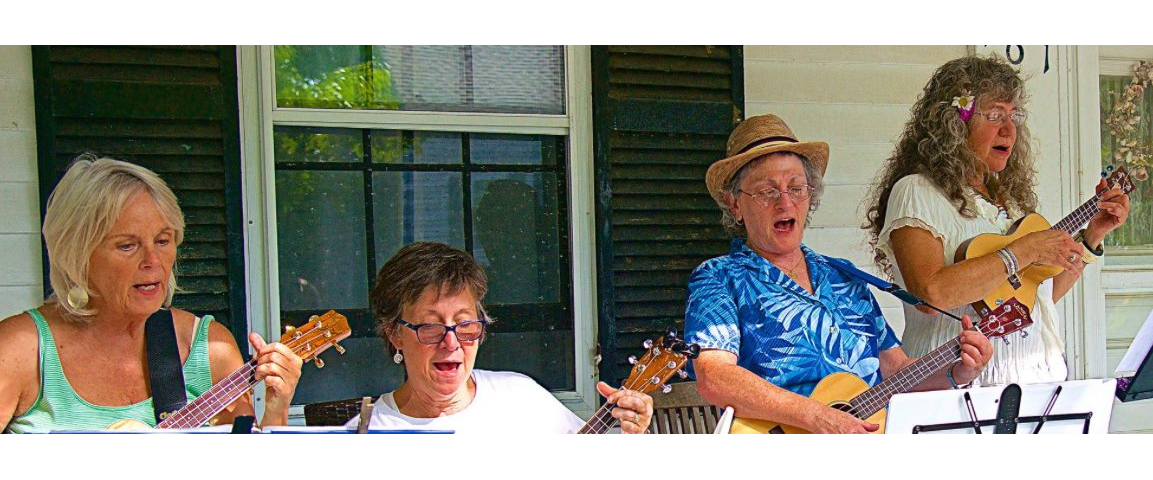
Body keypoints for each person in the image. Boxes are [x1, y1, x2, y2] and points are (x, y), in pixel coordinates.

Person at [685, 114, 993, 434]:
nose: (785, 202)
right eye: (767, 191)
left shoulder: (845, 278)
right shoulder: (718, 278)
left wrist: (957, 371)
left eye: (796, 188)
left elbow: (896, 370)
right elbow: (714, 376)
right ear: (734, 204)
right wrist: (817, 416)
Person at [865, 56, 1131, 385]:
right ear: (955, 122)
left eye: (1013, 115)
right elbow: (930, 297)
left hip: (1037, 386)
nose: (1009, 129)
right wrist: (1023, 251)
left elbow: (1033, 298)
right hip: (954, 390)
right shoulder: (916, 192)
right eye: (994, 115)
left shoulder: (1012, 202)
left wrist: (1091, 238)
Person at [0, 156, 302, 433]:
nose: (153, 261)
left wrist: (277, 409)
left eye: (162, 240)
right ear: (77, 255)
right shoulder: (21, 349)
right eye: (127, 245)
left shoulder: (209, 349)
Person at [347, 241, 653, 433]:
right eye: (431, 327)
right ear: (394, 334)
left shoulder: (520, 397)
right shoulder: (371, 428)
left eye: (465, 325)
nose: (451, 343)